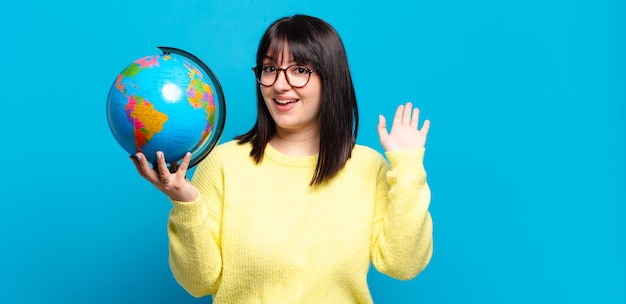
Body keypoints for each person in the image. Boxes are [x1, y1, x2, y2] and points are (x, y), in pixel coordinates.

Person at [131, 14, 432, 304]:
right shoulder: (223, 164)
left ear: (331, 78)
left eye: (300, 69)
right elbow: (198, 283)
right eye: (269, 68)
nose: (279, 84)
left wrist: (408, 168)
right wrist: (185, 203)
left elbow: (402, 265)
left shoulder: (368, 167)